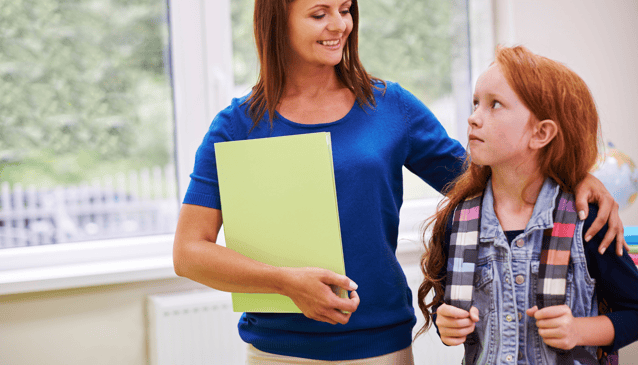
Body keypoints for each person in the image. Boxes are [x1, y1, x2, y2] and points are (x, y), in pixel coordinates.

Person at [173, 0, 625, 362]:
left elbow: (489, 177)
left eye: (346, 9)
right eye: (319, 13)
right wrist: (284, 281)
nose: (339, 25)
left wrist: (577, 177)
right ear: (277, 18)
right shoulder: (236, 126)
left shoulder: (390, 107)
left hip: (381, 348)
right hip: (275, 351)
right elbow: (190, 252)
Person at [417, 45, 638, 365]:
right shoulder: (459, 219)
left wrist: (579, 330)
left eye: (494, 105)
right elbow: (446, 307)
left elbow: (634, 310)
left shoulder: (586, 220)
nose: (473, 117)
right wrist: (446, 323)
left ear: (542, 133)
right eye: (476, 103)